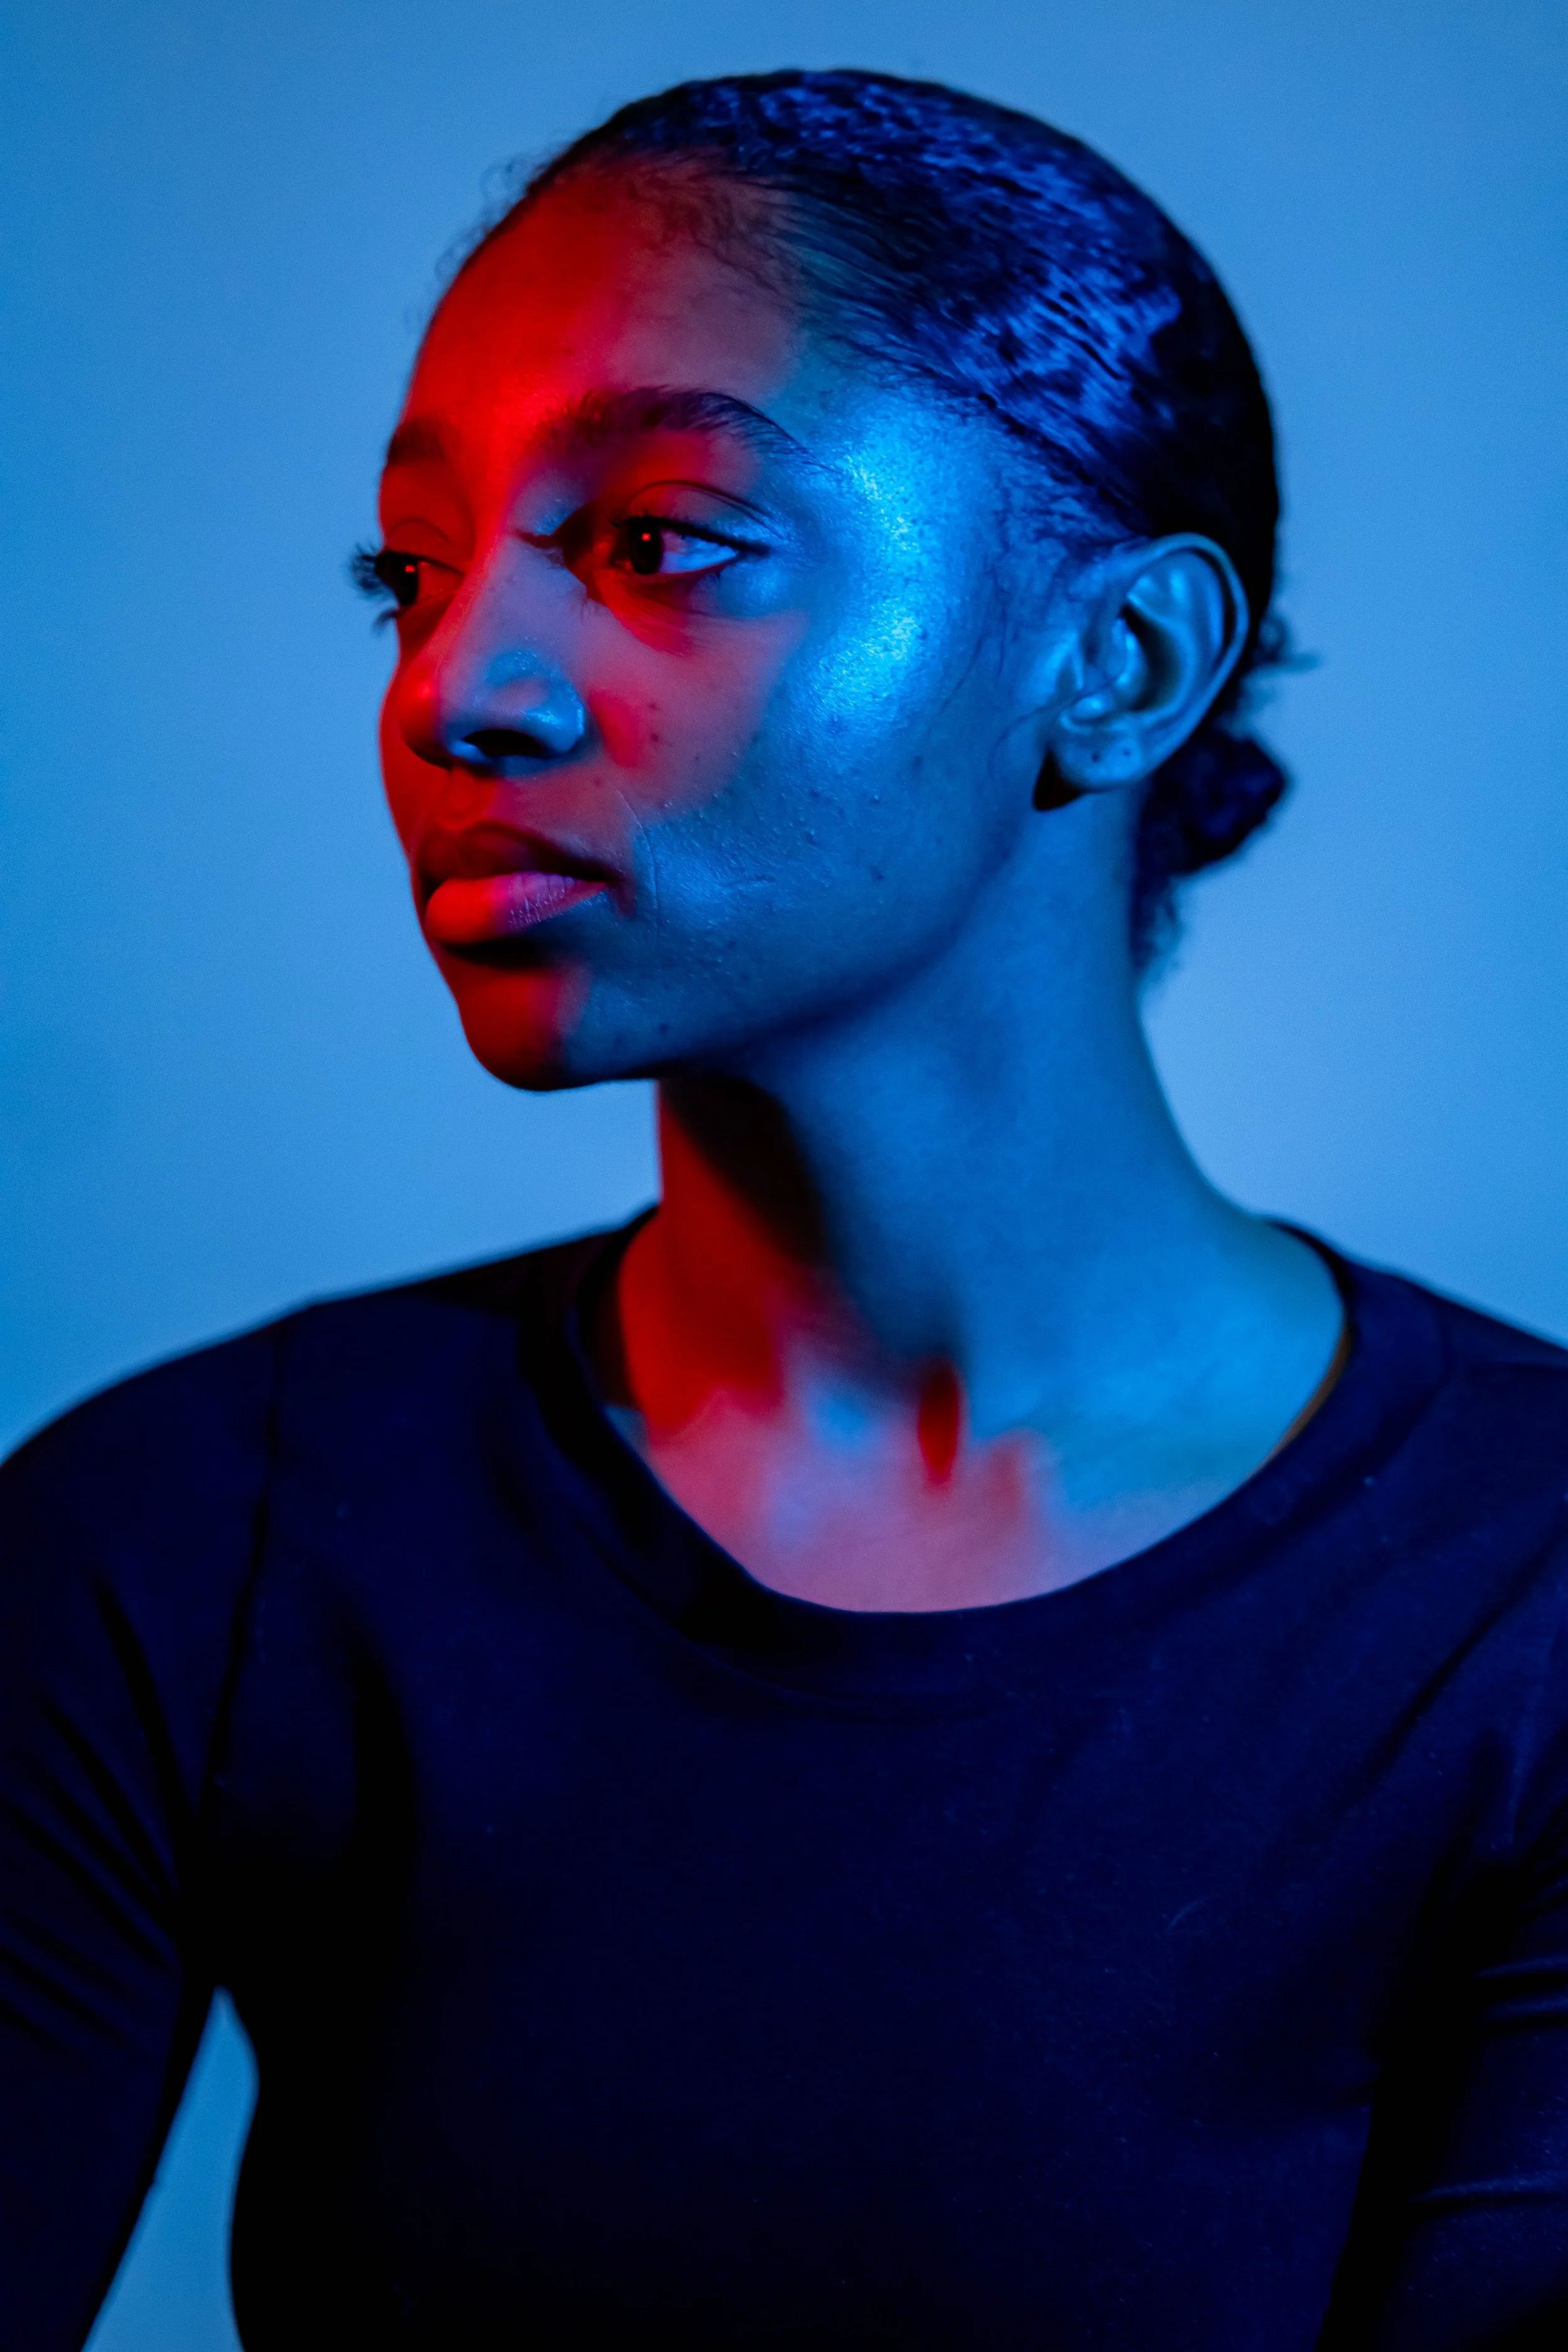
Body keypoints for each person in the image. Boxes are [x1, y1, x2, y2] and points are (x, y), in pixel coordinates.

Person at [3, 66, 1565, 2352]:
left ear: (1116, 661)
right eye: (407, 577)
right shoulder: (193, 1543)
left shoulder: (1513, 1603)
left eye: (662, 539)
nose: (454, 688)